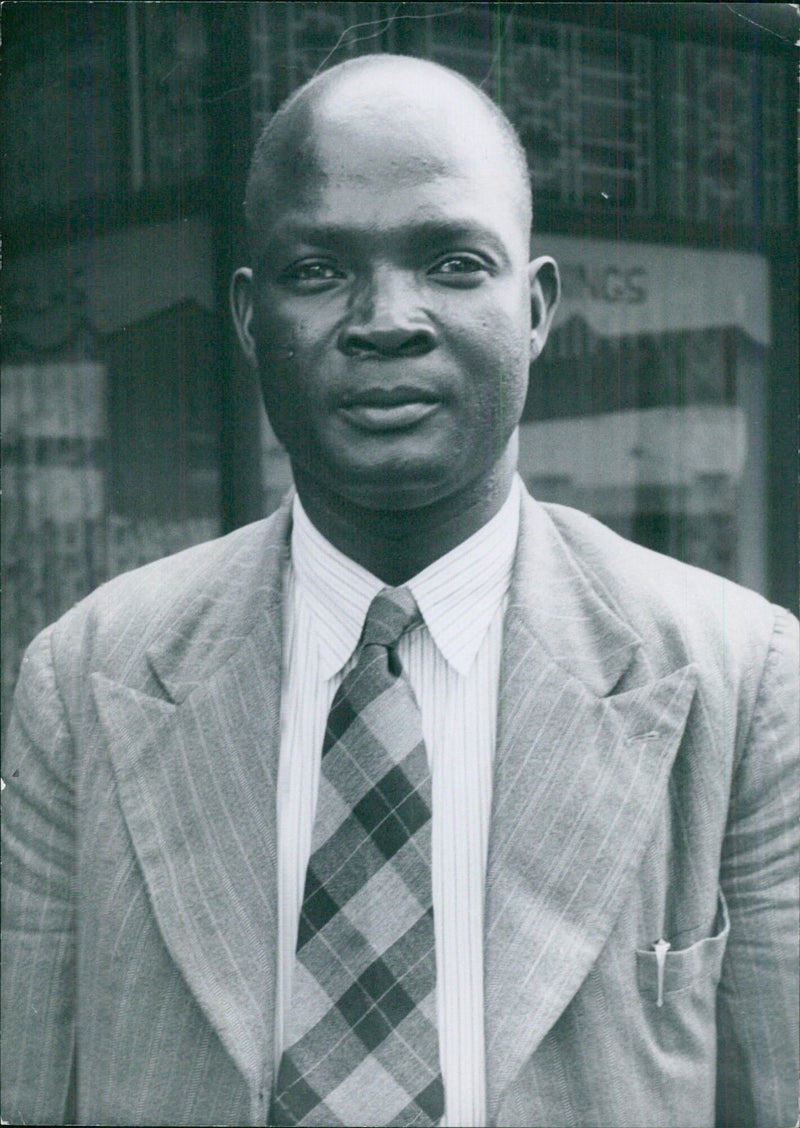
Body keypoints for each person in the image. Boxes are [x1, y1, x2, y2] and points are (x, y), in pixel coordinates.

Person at [1, 53, 797, 1128]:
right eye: (319, 270)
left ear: (536, 307)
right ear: (248, 319)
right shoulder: (84, 679)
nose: (385, 317)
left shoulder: (741, 680)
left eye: (453, 263)